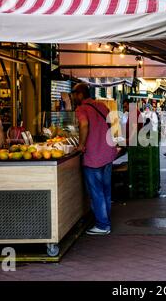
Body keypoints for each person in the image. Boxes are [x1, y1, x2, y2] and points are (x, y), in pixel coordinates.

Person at [73, 83, 118, 235]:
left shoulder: (81, 109)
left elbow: (84, 125)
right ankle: (105, 219)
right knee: (106, 189)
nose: (73, 97)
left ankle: (103, 224)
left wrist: (81, 145)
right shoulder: (101, 106)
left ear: (80, 94)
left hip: (93, 156)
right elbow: (110, 124)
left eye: (74, 93)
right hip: (107, 153)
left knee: (96, 191)